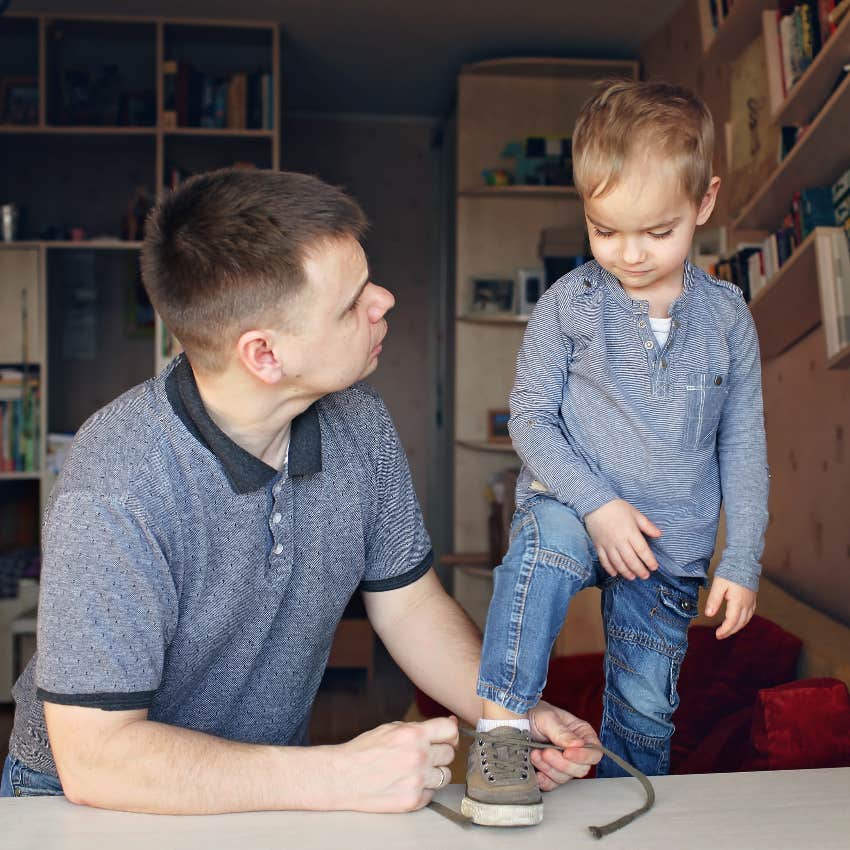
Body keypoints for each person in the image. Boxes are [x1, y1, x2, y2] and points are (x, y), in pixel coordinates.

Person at [2, 168, 600, 812]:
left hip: (264, 790)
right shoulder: (118, 482)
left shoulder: (360, 423)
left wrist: (509, 713)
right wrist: (335, 777)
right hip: (81, 805)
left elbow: (409, 607)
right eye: (352, 302)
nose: (385, 301)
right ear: (263, 355)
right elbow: (98, 759)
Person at [462, 80, 769, 827]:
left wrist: (742, 557)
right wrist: (597, 505)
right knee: (540, 563)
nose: (628, 255)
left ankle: (625, 815)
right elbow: (531, 420)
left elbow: (744, 442)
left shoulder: (729, 319)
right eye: (604, 230)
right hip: (572, 503)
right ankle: (500, 740)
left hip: (671, 544)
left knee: (645, 705)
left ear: (703, 203)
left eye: (655, 233)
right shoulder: (569, 305)